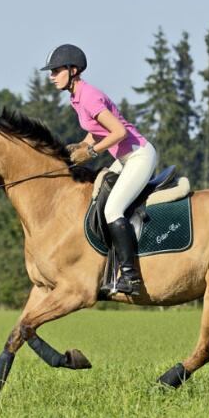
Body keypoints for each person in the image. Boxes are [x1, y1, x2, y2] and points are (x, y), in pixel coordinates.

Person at [41, 44, 158, 296]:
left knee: (112, 209)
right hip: (125, 158)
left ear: (73, 70)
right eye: (51, 72)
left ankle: (131, 277)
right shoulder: (76, 97)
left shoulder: (89, 96)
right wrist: (81, 145)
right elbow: (96, 130)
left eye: (56, 71)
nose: (51, 76)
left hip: (138, 156)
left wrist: (92, 152)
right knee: (98, 198)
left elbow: (119, 132)